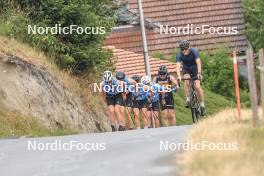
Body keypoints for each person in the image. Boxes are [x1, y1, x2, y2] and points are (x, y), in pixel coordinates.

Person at [176, 40, 205, 115]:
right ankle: (188, 98)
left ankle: (202, 103)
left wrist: (199, 73)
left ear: (189, 47)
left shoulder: (194, 51)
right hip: (186, 69)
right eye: (182, 49)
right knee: (186, 80)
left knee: (198, 87)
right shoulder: (179, 54)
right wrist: (179, 76)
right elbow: (178, 66)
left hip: (195, 68)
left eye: (185, 49)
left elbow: (198, 61)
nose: (184, 51)